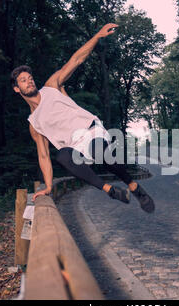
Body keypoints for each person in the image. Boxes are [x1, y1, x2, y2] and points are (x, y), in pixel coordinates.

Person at [10, 23, 155, 213]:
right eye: (23, 81)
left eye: (30, 78)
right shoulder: (34, 124)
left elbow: (76, 60)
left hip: (91, 130)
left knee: (99, 152)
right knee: (62, 155)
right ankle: (110, 190)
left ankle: (134, 187)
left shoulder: (52, 86)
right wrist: (47, 186)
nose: (29, 82)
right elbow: (43, 155)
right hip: (75, 147)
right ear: (16, 89)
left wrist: (97, 36)